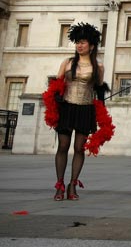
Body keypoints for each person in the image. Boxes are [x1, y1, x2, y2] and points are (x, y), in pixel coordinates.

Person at [44, 22, 111, 201]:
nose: (79, 45)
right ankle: (59, 184)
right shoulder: (67, 62)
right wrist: (55, 99)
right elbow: (57, 85)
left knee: (79, 148)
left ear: (91, 45)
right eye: (77, 42)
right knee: (63, 146)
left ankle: (73, 184)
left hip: (86, 109)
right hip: (66, 107)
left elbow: (98, 90)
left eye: (83, 42)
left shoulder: (99, 67)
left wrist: (102, 111)